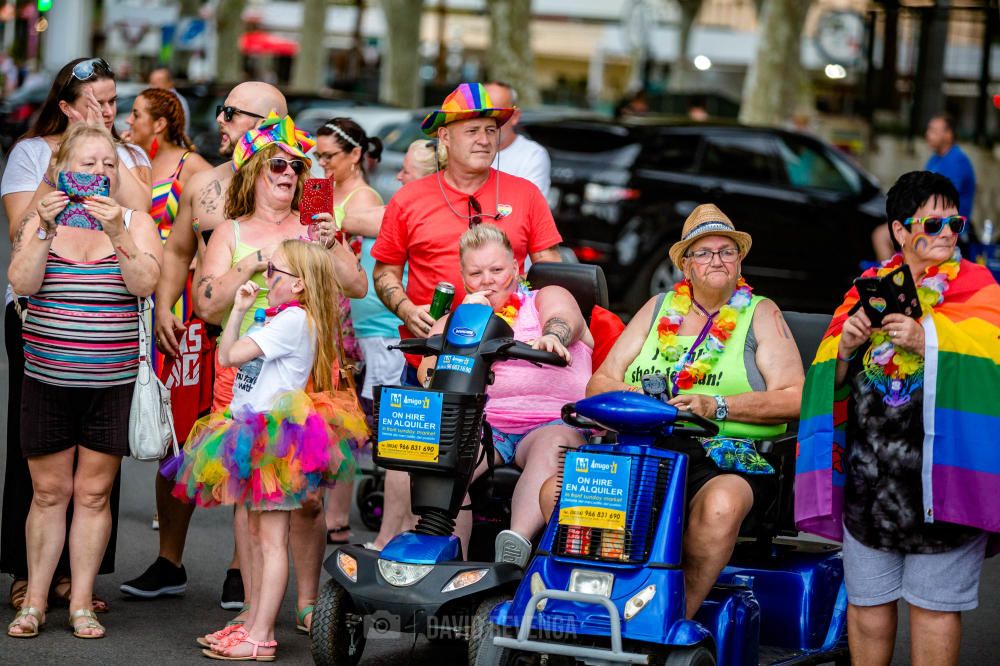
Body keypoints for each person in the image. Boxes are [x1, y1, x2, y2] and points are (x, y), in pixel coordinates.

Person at [796, 171, 1000, 666]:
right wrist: (844, 348)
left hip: (941, 486)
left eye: (955, 221)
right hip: (871, 486)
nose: (949, 232)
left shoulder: (979, 287)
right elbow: (828, 378)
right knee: (866, 607)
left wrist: (927, 339)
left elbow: (991, 357)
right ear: (900, 232)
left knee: (933, 610)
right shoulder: (867, 289)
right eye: (934, 223)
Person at [582, 204, 804, 619]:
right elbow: (599, 382)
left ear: (739, 261)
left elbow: (795, 396)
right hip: (648, 448)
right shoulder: (657, 307)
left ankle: (671, 618)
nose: (716, 260)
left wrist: (717, 404)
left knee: (722, 504)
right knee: (559, 493)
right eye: (703, 252)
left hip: (727, 456)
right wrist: (638, 398)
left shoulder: (761, 313)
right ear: (686, 264)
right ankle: (591, 607)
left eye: (727, 251)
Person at [191, 115, 367, 637]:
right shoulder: (232, 231)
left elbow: (356, 287)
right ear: (253, 172)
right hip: (246, 371)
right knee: (252, 497)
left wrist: (332, 242)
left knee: (308, 499)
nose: (289, 172)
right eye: (278, 163)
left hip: (310, 376)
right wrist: (251, 267)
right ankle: (253, 610)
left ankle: (308, 603)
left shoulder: (316, 224)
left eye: (297, 164)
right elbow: (207, 303)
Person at [120, 81, 288, 609]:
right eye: (221, 111)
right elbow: (176, 252)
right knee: (180, 440)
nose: (219, 120)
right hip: (198, 328)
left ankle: (241, 568)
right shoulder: (206, 182)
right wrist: (166, 307)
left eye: (230, 113)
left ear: (266, 123)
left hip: (268, 337)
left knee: (253, 446)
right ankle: (169, 560)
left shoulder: (294, 180)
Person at [1, 55, 151, 615]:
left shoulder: (128, 157)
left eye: (113, 100)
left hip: (108, 323)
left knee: (95, 470)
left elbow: (142, 219)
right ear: (64, 106)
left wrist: (108, 149)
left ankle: (78, 581)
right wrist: (60, 169)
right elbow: (20, 231)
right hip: (39, 316)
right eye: (94, 102)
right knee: (38, 457)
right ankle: (26, 572)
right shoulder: (32, 153)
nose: (106, 109)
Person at [172, 239, 365, 661]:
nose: (266, 277)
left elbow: (228, 356)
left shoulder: (292, 321)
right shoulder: (281, 318)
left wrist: (238, 309)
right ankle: (253, 622)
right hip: (255, 432)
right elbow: (232, 358)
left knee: (272, 541)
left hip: (274, 441)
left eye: (274, 271)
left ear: (298, 285)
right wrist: (245, 311)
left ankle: (260, 635)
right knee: (258, 538)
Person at [373, 224, 592, 567]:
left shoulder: (545, 298)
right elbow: (429, 377)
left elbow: (564, 320)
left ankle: (514, 545)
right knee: (445, 451)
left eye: (497, 270)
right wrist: (467, 325)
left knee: (554, 444)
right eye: (476, 273)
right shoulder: (454, 322)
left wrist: (553, 338)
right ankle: (443, 560)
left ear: (516, 270)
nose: (487, 280)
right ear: (464, 279)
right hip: (486, 422)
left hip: (551, 420)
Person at [372, 82, 563, 382]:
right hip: (429, 360)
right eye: (472, 131)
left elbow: (552, 273)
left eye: (490, 130)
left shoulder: (526, 194)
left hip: (508, 362)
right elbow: (385, 272)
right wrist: (407, 311)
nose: (484, 140)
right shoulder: (408, 199)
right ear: (444, 136)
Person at [309, 117, 388, 546]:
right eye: (317, 156)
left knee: (342, 415)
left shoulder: (363, 197)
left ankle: (336, 517)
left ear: (355, 154)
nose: (322, 164)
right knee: (322, 413)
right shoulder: (321, 190)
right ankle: (320, 508)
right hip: (320, 309)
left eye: (329, 157)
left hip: (349, 314)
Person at [484, 81, 551, 198]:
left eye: (497, 113)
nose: (487, 121)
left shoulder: (532, 155)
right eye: (480, 114)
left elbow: (529, 209)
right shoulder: (463, 149)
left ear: (514, 116)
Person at [148, 66, 190, 135]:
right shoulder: (158, 99)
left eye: (157, 82)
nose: (152, 87)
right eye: (151, 83)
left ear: (170, 83)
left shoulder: (173, 102)